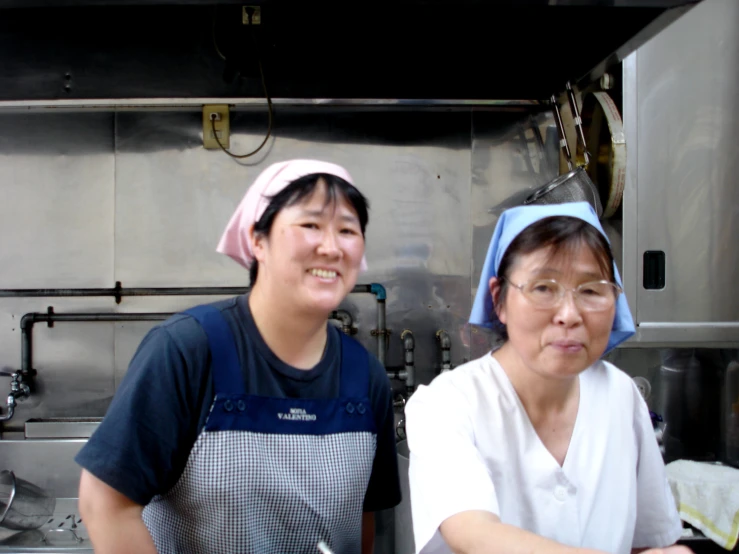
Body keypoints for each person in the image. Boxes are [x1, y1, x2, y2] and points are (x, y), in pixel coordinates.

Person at [75, 159, 401, 554]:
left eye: (347, 230)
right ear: (257, 240)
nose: (331, 247)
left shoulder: (364, 374)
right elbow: (105, 503)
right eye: (311, 225)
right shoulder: (187, 350)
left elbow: (364, 520)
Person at [405, 202, 691, 554]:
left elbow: (646, 540)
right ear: (500, 300)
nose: (569, 315)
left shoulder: (620, 394)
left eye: (590, 290)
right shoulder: (447, 404)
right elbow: (473, 534)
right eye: (543, 288)